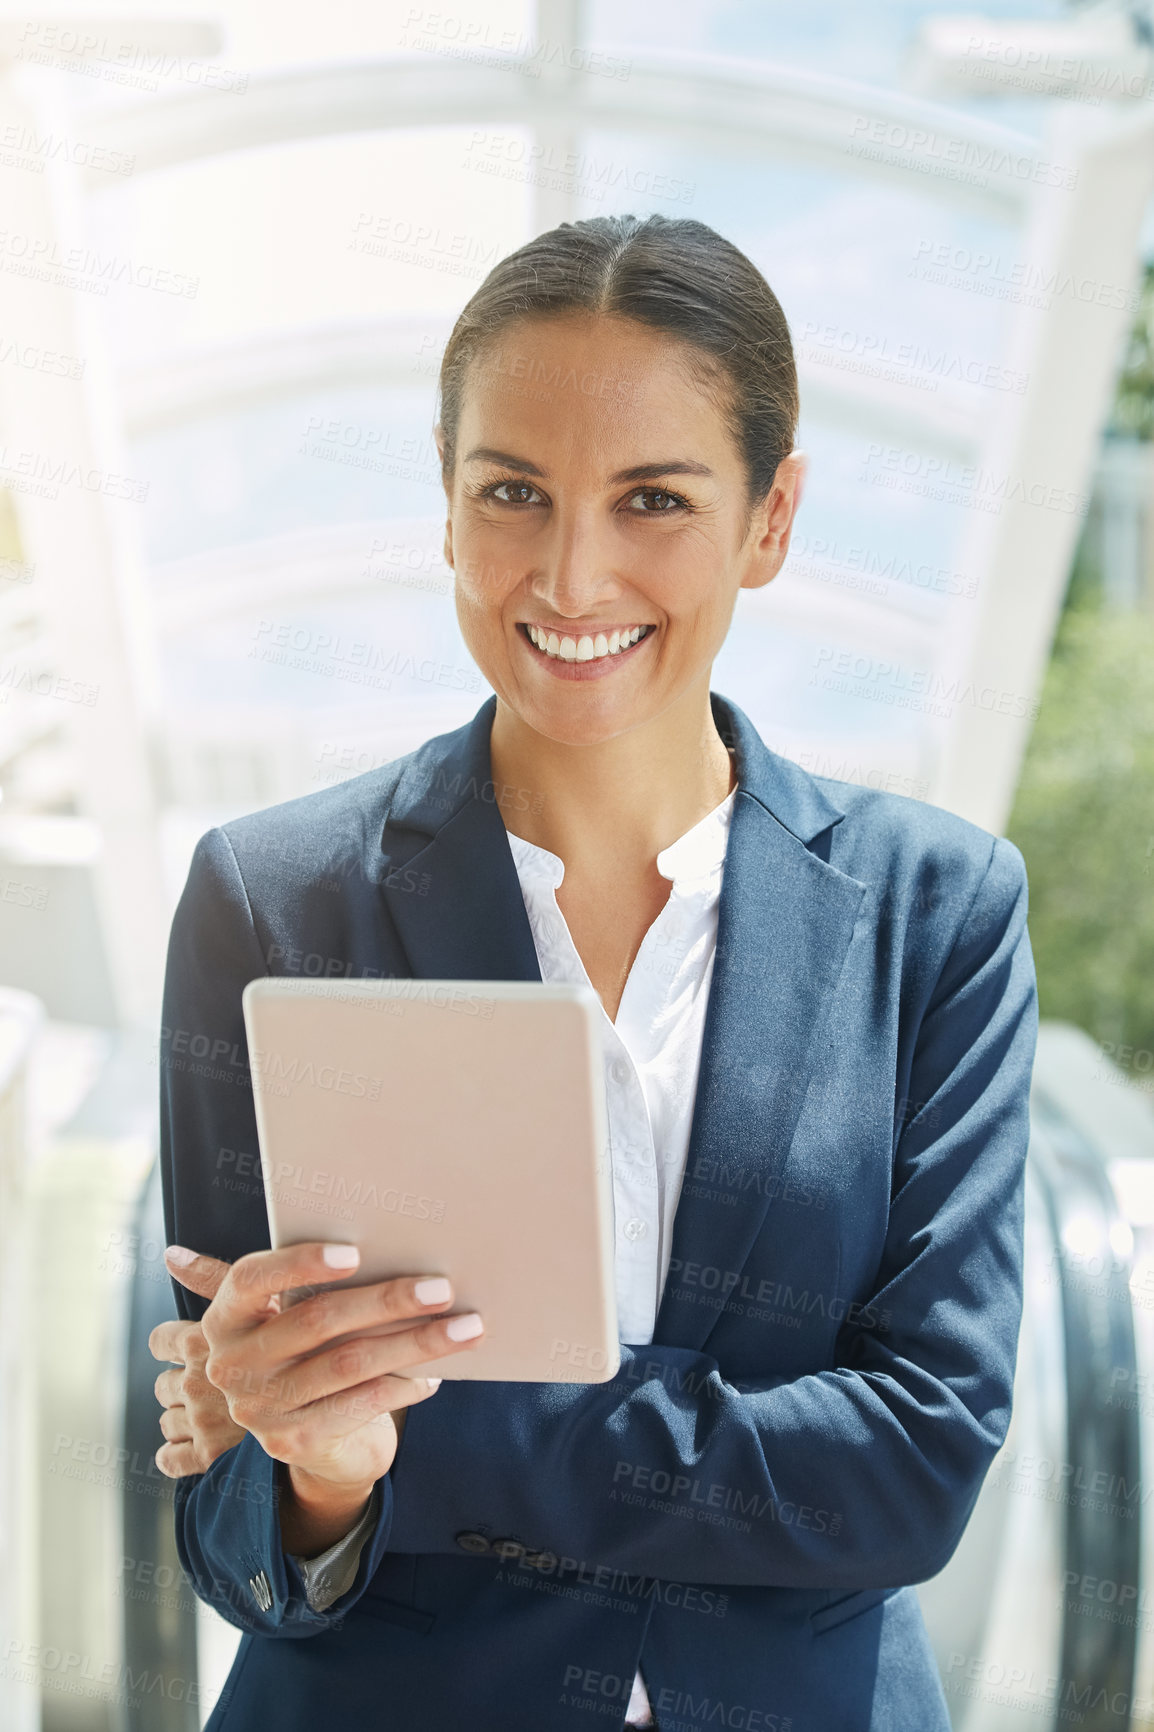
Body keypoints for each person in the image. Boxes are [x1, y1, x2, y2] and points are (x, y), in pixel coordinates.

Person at [151, 212, 1037, 1732]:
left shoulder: (934, 910)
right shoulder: (273, 898)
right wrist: (307, 1477)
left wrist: (393, 1443)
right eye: (513, 491)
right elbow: (229, 1520)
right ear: (444, 503)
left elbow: (909, 1471)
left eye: (653, 500)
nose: (570, 573)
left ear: (769, 520)